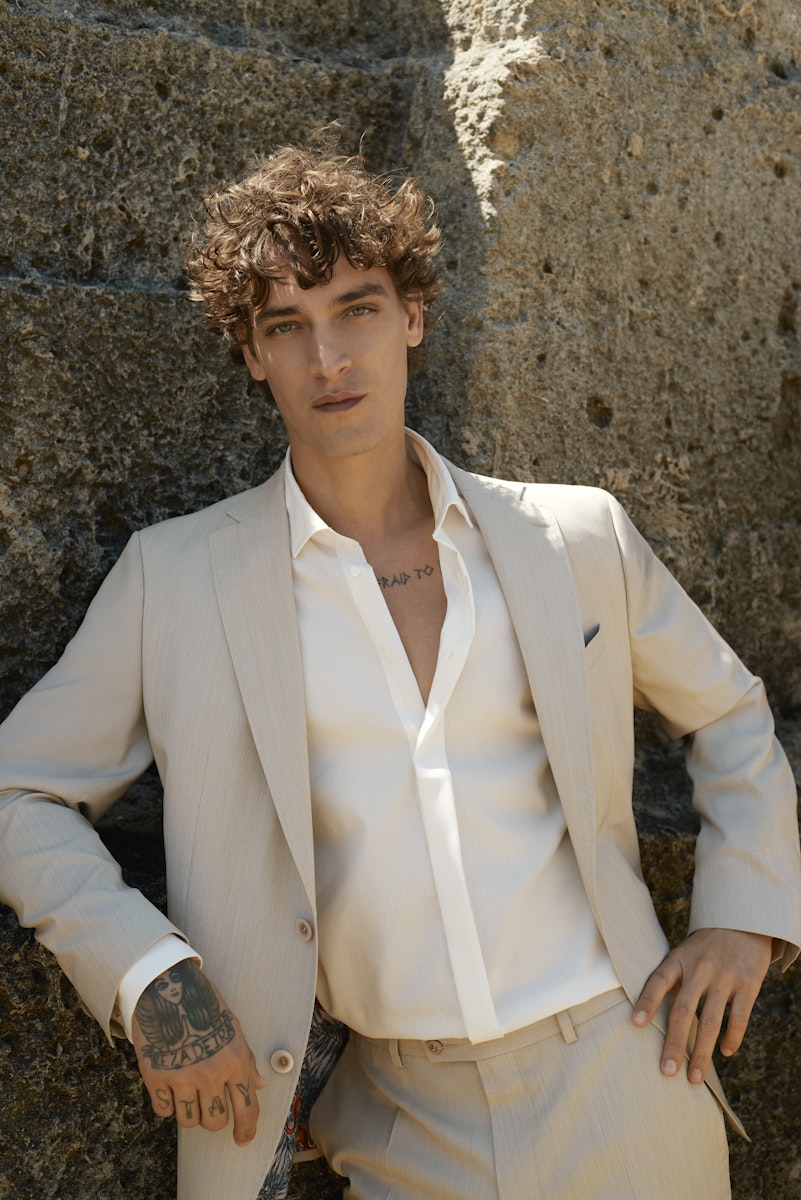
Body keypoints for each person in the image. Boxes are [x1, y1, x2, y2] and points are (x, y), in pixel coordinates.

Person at [0, 140, 799, 1200]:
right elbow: (18, 790)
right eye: (286, 326)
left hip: (625, 1073)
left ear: (413, 315)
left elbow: (731, 713)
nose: (329, 357)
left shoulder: (575, 536)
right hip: (392, 1121)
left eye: (358, 309)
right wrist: (150, 976)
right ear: (252, 354)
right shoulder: (173, 579)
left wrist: (745, 916)